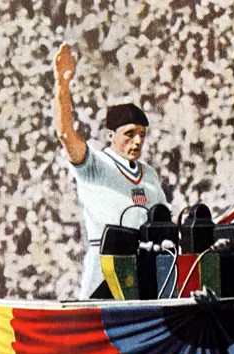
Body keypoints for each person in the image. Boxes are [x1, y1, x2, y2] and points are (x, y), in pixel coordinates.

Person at [53, 43, 168, 299]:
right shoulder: (95, 165)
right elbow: (65, 133)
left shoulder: (149, 174)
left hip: (145, 269)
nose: (137, 141)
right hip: (105, 270)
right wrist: (62, 84)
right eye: (129, 134)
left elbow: (163, 221)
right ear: (110, 135)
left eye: (141, 135)